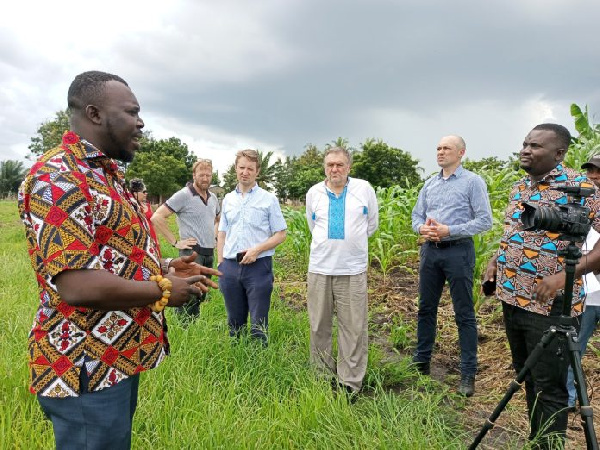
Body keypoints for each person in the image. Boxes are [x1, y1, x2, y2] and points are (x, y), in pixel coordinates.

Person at [18, 71, 219, 450]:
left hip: (116, 359)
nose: (141, 122)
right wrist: (160, 289)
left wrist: (164, 269)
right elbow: (76, 285)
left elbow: (107, 258)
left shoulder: (105, 176)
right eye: (131, 112)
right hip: (84, 364)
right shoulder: (60, 177)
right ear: (94, 114)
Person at [484, 124, 600, 448]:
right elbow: (514, 233)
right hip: (513, 299)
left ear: (558, 153)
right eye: (524, 143)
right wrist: (496, 261)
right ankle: (538, 441)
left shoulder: (582, 188)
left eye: (535, 146)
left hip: (550, 307)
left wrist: (568, 275)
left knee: (550, 388)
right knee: (528, 377)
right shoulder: (519, 187)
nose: (525, 150)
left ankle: (548, 444)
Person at [411, 135, 492, 397]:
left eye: (446, 148)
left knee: (464, 313)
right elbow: (416, 215)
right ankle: (421, 363)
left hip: (458, 251)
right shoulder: (430, 184)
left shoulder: (472, 182)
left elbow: (484, 221)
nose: (440, 152)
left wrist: (450, 231)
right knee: (425, 308)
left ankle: (468, 374)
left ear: (461, 153)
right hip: (430, 252)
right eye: (438, 148)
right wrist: (421, 227)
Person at [305, 146, 379, 396]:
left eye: (339, 164)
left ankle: (349, 382)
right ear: (324, 167)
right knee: (319, 325)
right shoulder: (314, 192)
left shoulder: (364, 189)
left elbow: (372, 225)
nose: (334, 169)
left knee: (353, 326)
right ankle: (323, 376)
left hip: (352, 269)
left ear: (348, 167)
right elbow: (312, 224)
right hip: (319, 268)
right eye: (330, 165)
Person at [217, 149, 287, 345]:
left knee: (258, 321)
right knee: (234, 321)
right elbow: (222, 232)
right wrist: (221, 263)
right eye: (241, 167)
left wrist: (256, 250)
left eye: (250, 168)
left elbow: (281, 234)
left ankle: (259, 361)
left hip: (258, 267)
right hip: (230, 267)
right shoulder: (228, 199)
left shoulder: (268, 199)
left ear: (257, 172)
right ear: (235, 169)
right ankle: (236, 357)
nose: (245, 172)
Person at [152, 159, 221, 321]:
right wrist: (176, 242)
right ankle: (184, 328)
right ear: (194, 175)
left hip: (209, 252)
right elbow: (157, 217)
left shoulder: (213, 198)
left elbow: (218, 219)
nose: (205, 178)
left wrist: (215, 236)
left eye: (208, 175)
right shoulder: (184, 195)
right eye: (201, 175)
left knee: (201, 293)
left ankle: (194, 325)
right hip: (192, 253)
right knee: (187, 295)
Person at [566, 155, 600, 410]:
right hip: (586, 292)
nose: (593, 176)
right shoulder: (578, 205)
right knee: (573, 346)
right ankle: (568, 401)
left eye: (599, 172)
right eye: (590, 171)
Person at [129, 178, 160, 255]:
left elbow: (153, 223)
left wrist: (157, 239)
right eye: (144, 192)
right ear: (136, 193)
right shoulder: (131, 207)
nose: (146, 193)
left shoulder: (148, 206)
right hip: (141, 239)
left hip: (152, 236)